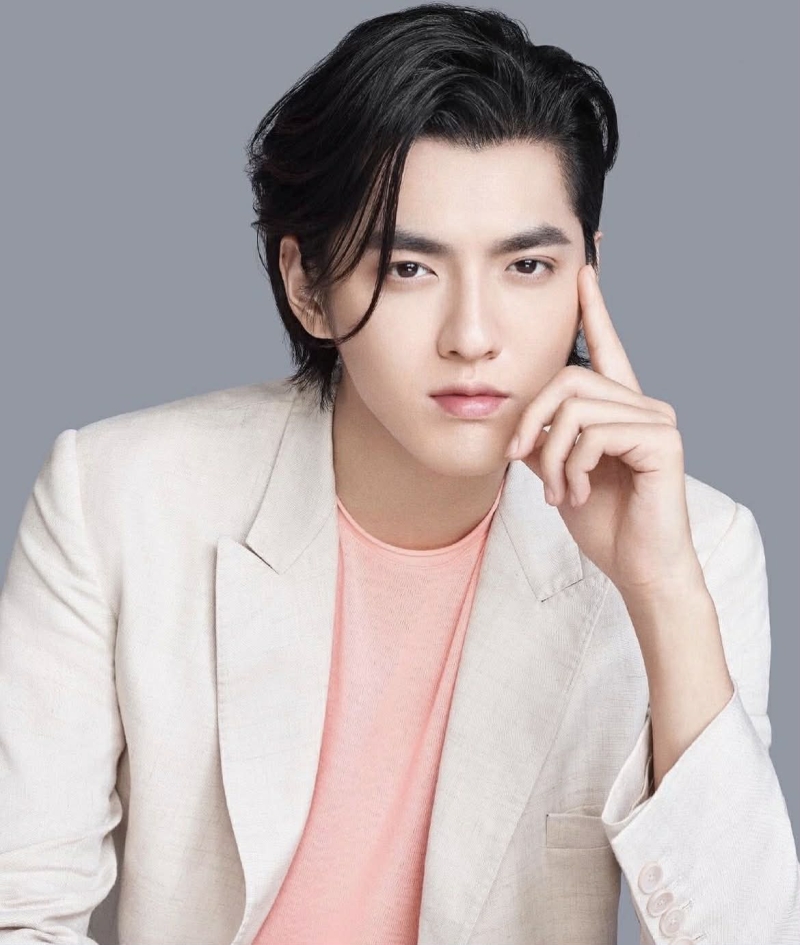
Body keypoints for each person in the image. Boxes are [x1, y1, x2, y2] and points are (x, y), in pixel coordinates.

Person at [1, 4, 798, 944]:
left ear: (589, 272)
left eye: (528, 266)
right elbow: (18, 910)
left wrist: (660, 590)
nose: (473, 335)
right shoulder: (116, 500)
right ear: (307, 285)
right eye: (412, 268)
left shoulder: (695, 547)